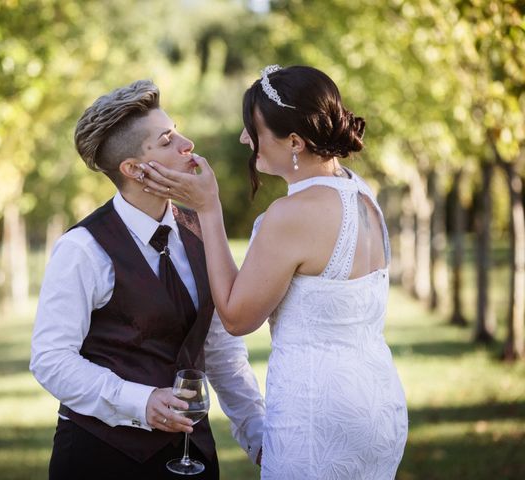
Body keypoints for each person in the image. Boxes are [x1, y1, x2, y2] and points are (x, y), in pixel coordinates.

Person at [139, 65, 408, 479]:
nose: (245, 138)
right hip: (380, 408)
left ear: (295, 142)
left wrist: (209, 209)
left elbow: (236, 317)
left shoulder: (290, 215)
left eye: (255, 129)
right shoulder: (361, 192)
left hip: (319, 417)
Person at [30, 79, 265, 480]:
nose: (187, 143)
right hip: (99, 458)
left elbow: (222, 352)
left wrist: (259, 435)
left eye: (179, 131)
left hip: (192, 455)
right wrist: (142, 402)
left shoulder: (201, 230)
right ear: (135, 169)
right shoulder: (83, 249)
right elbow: (50, 360)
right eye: (168, 139)